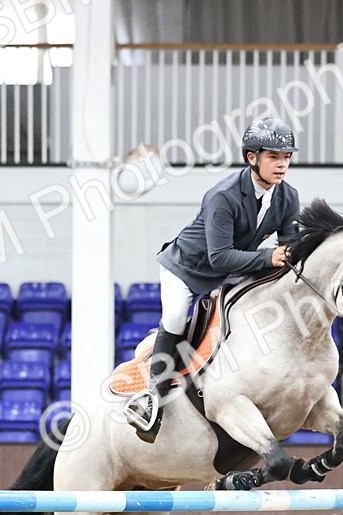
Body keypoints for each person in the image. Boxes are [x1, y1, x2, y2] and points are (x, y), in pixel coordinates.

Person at [125, 115, 302, 442]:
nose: (282, 165)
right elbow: (219, 256)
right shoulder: (223, 196)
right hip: (188, 268)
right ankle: (152, 397)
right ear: (252, 158)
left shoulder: (287, 197)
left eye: (287, 157)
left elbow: (287, 247)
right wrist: (267, 257)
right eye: (274, 157)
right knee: (177, 317)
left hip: (232, 269)